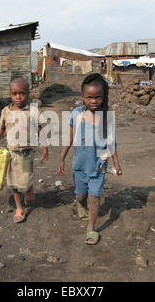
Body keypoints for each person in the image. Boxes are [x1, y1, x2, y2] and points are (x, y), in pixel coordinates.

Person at [58, 73, 122, 245]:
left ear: (103, 97)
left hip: (98, 165)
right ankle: (80, 204)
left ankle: (91, 228)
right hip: (79, 165)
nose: (93, 101)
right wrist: (62, 158)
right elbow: (69, 138)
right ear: (83, 97)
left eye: (97, 97)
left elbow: (111, 142)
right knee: (81, 195)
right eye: (89, 97)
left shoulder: (106, 118)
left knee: (95, 196)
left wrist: (116, 163)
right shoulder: (76, 114)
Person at [0, 77, 48, 223]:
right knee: (13, 183)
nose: (18, 97)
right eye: (15, 93)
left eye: (22, 93)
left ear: (28, 94)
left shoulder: (32, 111)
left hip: (26, 153)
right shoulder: (6, 111)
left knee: (26, 180)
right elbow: (1, 127)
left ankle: (29, 190)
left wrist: (45, 146)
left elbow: (40, 128)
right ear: (10, 94)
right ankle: (19, 207)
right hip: (11, 153)